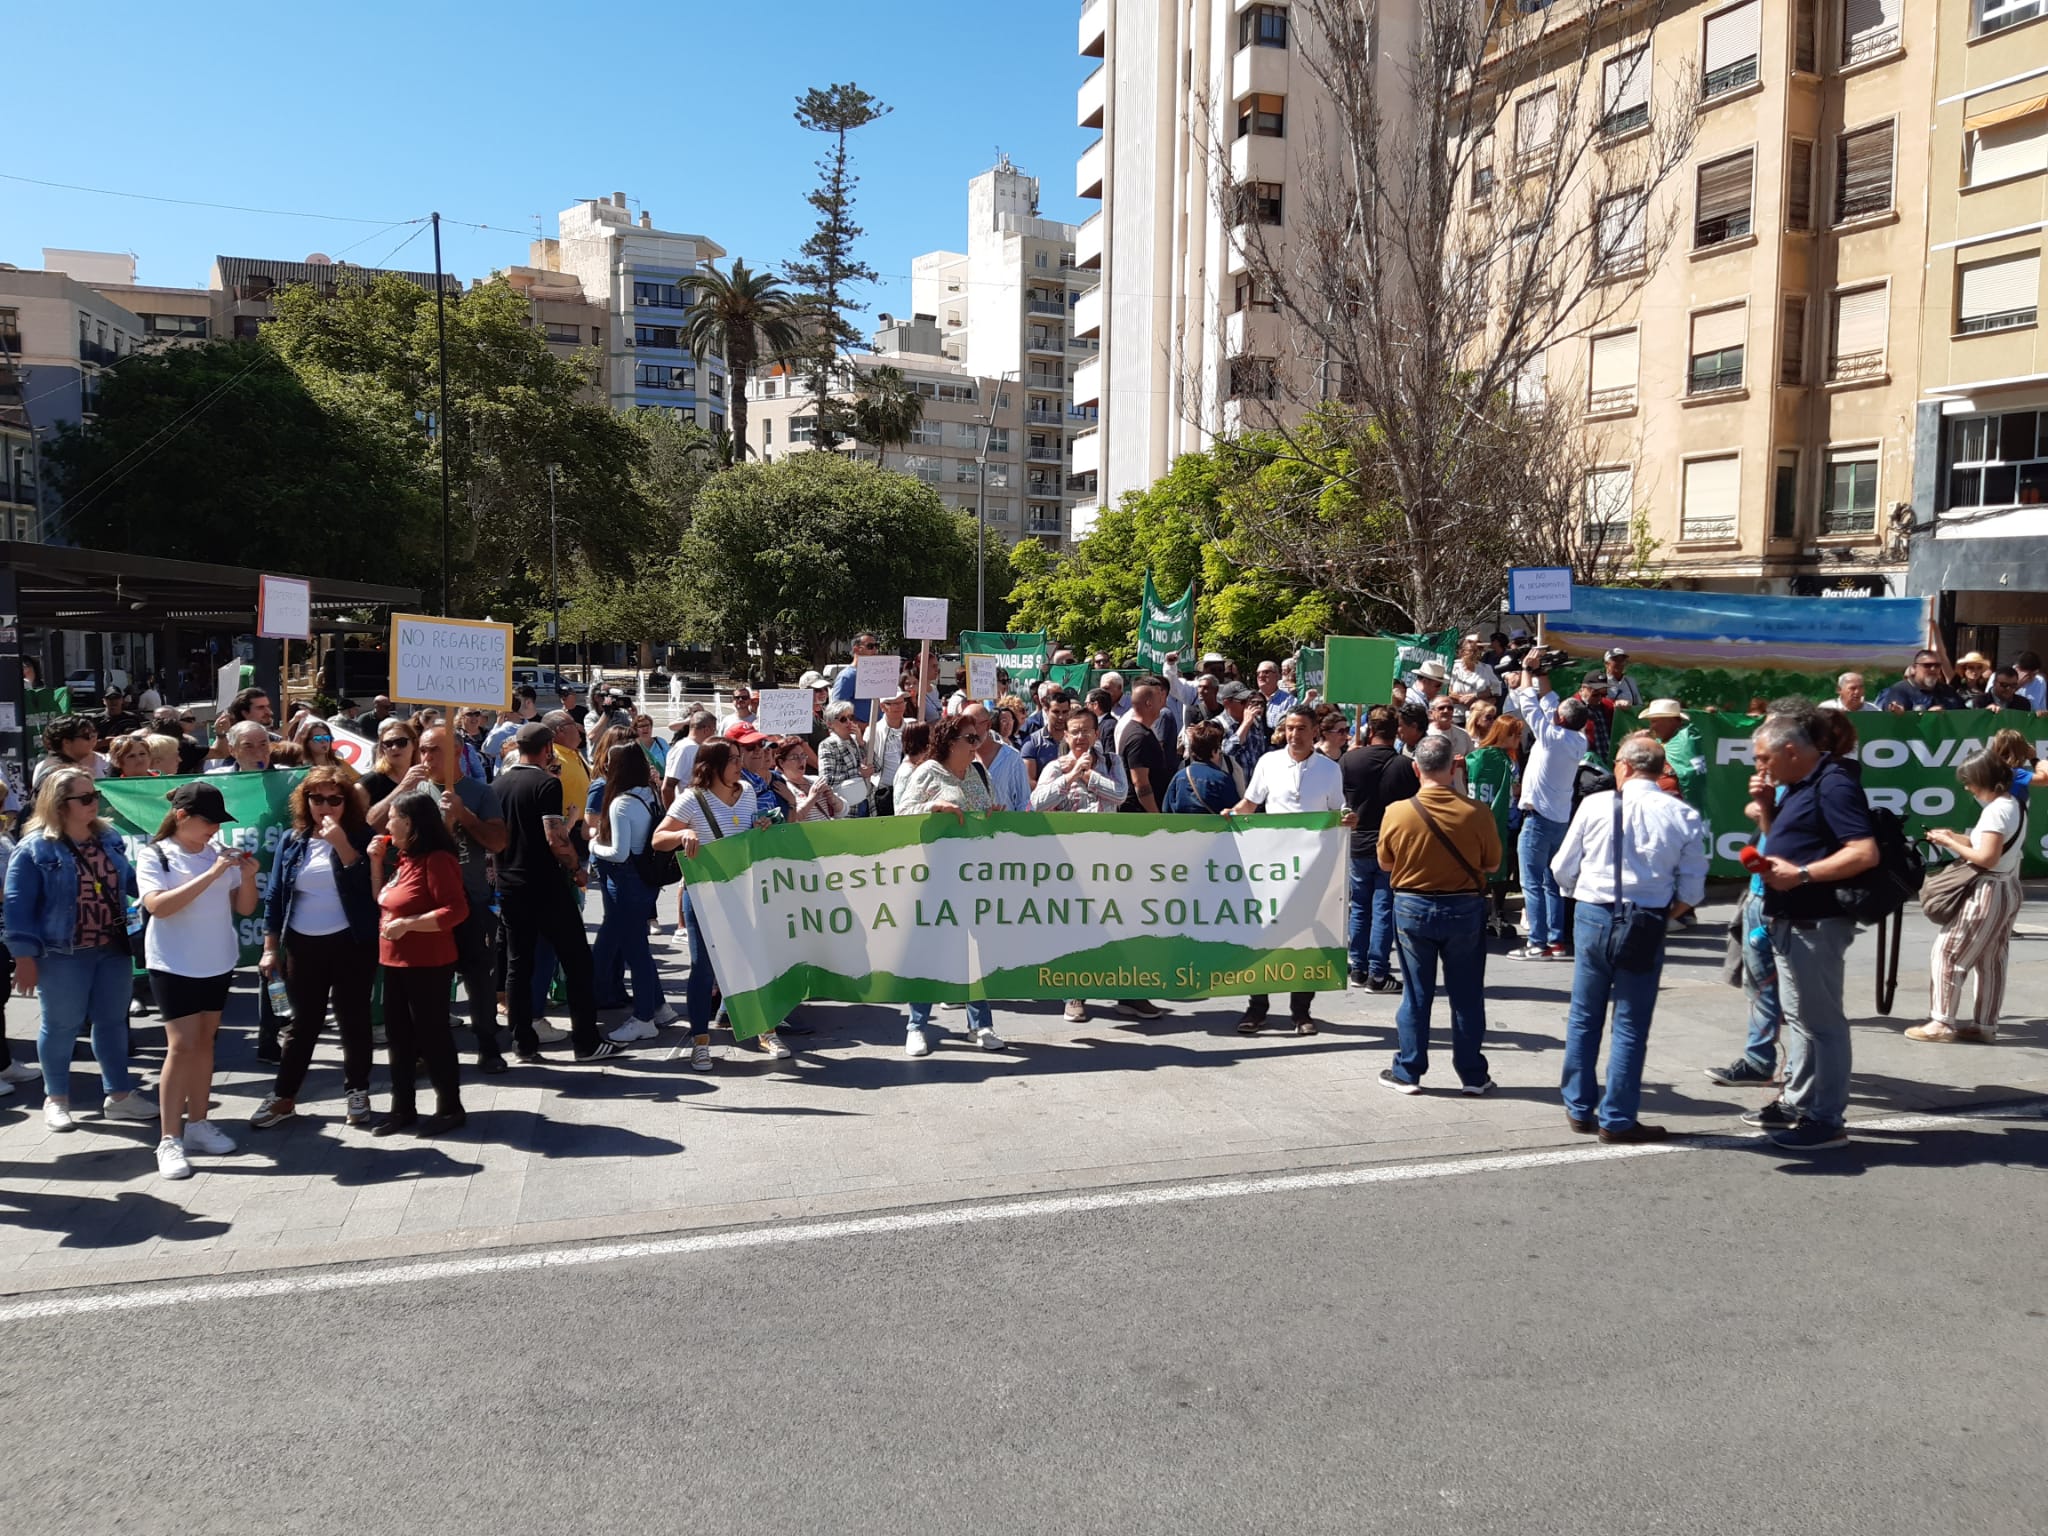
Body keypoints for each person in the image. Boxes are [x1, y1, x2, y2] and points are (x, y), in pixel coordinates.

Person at [1549, 735, 1708, 1143]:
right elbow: (1692, 892)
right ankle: (1617, 1118)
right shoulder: (1681, 813)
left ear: (1623, 766)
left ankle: (1578, 1107)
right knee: (1630, 1025)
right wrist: (1660, 915)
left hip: (1593, 913)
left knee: (1585, 1016)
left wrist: (1582, 896)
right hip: (1646, 916)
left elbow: (1562, 867)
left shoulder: (1595, 804)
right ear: (1660, 770)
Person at [1742, 713, 1879, 1151]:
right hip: (1791, 918)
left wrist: (1802, 874)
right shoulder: (1800, 784)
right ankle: (1800, 1102)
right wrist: (1766, 807)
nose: (1760, 767)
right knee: (1802, 1019)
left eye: (1764, 758)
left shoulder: (1834, 783)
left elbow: (1864, 852)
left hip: (1814, 921)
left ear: (1790, 750)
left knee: (1823, 1024)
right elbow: (1781, 841)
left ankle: (1827, 1118)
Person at [3, 768, 157, 1131]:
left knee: (113, 1023)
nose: (95, 803)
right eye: (86, 798)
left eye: (95, 796)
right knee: (61, 1026)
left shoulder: (109, 838)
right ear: (59, 804)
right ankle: (55, 1098)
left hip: (113, 948)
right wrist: (23, 957)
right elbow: (17, 905)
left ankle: (119, 1095)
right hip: (61, 953)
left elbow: (134, 881)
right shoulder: (36, 847)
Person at [136, 781, 260, 1179]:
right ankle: (168, 1139)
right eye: (209, 822)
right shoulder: (156, 855)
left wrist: (250, 876)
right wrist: (213, 871)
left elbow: (243, 907)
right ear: (182, 817)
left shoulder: (216, 855)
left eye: (219, 823)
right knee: (182, 1047)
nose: (215, 830)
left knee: (205, 1043)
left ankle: (198, 1123)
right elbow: (159, 907)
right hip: (173, 964)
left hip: (217, 960)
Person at [1375, 735, 1504, 1096]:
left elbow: (1386, 863)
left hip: (1413, 907)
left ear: (1416, 769)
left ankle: (1409, 1070)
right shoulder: (1477, 812)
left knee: (1416, 993)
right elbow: (1492, 863)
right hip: (1464, 907)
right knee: (1466, 994)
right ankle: (1473, 1075)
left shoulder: (1397, 812)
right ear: (1453, 768)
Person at [251, 768, 379, 1129]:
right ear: (305, 802)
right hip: (303, 945)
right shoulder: (293, 840)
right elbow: (275, 895)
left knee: (353, 1019)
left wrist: (341, 844)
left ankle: (357, 1090)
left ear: (346, 803)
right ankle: (284, 1096)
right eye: (317, 798)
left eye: (334, 799)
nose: (325, 806)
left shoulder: (362, 835)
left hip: (352, 941)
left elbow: (370, 892)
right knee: (302, 1023)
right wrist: (270, 948)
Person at [652, 741, 792, 1066]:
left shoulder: (747, 792)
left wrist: (762, 826)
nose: (739, 763)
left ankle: (765, 1031)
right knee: (702, 969)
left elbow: (746, 834)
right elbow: (658, 839)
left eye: (737, 758)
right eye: (731, 759)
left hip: (741, 890)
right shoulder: (692, 799)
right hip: (701, 894)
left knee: (754, 962)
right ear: (712, 765)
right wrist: (682, 835)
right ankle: (700, 1041)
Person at [495, 722, 619, 1064]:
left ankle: (522, 1043)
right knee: (577, 962)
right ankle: (587, 1042)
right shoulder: (547, 783)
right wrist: (576, 869)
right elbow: (555, 838)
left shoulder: (499, 783)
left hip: (510, 883)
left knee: (518, 965)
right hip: (545, 884)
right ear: (547, 748)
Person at [1229, 704, 1353, 1034]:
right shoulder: (1269, 762)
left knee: (1307, 937)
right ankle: (1257, 1007)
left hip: (1313, 868)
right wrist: (1232, 814)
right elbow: (1250, 803)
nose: (1294, 734)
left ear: (1316, 732)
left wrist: (1347, 817)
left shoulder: (1329, 769)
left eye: (1301, 728)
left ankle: (1301, 1011)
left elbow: (1337, 810)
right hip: (1273, 867)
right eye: (1290, 727)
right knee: (1265, 934)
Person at [897, 715, 1007, 1055]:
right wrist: (933, 806)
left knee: (976, 953)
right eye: (970, 738)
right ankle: (916, 1026)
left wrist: (995, 815)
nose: (977, 744)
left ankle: (981, 1024)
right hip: (935, 876)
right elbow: (901, 812)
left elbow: (989, 809)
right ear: (950, 742)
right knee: (931, 952)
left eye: (979, 737)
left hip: (975, 876)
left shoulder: (978, 773)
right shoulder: (928, 772)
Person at [366, 790, 469, 1136]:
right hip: (394, 962)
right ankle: (402, 1108)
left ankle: (450, 1107)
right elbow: (383, 900)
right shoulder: (403, 858)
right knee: (399, 1039)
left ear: (409, 823)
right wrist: (376, 863)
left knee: (432, 1035)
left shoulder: (437, 859)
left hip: (428, 962)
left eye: (392, 817)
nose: (387, 824)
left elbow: (456, 910)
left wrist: (409, 925)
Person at [1909, 750, 2027, 1044]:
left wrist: (1949, 840)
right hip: (2007, 887)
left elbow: (1986, 856)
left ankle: (1941, 1023)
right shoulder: (2014, 805)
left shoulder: (1996, 811)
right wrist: (1953, 837)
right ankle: (1984, 1024)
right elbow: (1987, 845)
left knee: (1948, 952)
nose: (1967, 787)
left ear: (1984, 779)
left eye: (1969, 781)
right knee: (1991, 959)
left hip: (1988, 890)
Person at [417, 724, 509, 1074]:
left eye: (434, 750)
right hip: (427, 906)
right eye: (423, 750)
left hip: (472, 902)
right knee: (429, 985)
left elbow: (498, 841)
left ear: (457, 752)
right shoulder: (416, 792)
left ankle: (487, 1045)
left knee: (480, 982)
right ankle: (430, 1048)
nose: (426, 758)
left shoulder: (480, 793)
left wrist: (465, 817)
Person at [587, 742, 678, 1045]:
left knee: (636, 952)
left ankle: (644, 1018)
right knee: (638, 948)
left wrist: (592, 844)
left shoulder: (621, 803)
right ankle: (659, 1007)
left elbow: (617, 852)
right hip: (646, 881)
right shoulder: (650, 793)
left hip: (626, 881)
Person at [1505, 655, 1589, 960]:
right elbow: (1549, 701)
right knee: (1552, 883)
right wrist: (1541, 673)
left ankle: (1537, 943)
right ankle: (1555, 941)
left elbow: (1529, 703)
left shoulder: (1552, 737)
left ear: (1561, 719)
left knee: (1532, 883)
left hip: (1538, 820)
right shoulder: (1578, 740)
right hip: (1559, 820)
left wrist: (1527, 671)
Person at [1340, 706, 1419, 992]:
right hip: (1391, 845)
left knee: (1359, 906)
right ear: (1396, 730)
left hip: (1358, 842)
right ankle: (1377, 972)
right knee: (1384, 907)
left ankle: (1357, 968)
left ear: (1369, 729)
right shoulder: (1404, 764)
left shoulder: (1349, 760)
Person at [1162, 720, 1241, 816]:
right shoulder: (1222, 779)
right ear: (1214, 751)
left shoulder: (1179, 776)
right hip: (1216, 830)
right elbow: (1236, 811)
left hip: (1184, 830)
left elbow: (1166, 809)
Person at [817, 701, 874, 817]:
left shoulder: (856, 740)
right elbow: (827, 779)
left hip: (867, 802)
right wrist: (859, 773)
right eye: (843, 719)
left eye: (851, 717)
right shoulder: (828, 745)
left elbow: (877, 765)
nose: (849, 722)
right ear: (830, 724)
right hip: (847, 806)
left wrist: (861, 742)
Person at [772, 737, 847, 821]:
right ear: (781, 763)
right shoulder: (782, 787)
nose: (801, 761)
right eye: (795, 757)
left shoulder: (815, 780)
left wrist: (833, 799)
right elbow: (791, 820)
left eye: (803, 755)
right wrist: (812, 798)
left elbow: (843, 812)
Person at [863, 692, 911, 813]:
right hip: (885, 791)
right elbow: (867, 759)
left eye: (901, 702)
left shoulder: (912, 727)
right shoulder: (873, 730)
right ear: (883, 707)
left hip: (909, 790)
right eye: (894, 703)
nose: (899, 706)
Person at [34, 715, 107, 788]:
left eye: (93, 733)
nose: (93, 738)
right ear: (66, 742)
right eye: (86, 736)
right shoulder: (64, 774)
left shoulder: (55, 765)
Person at [1879, 651, 1965, 712]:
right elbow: (1892, 722)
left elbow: (1965, 716)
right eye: (1927, 665)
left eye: (1937, 665)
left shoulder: (1947, 690)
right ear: (1914, 668)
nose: (1933, 669)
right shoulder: (1899, 690)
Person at [829, 632, 882, 725]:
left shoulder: (876, 674)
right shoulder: (847, 676)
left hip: (878, 731)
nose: (875, 650)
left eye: (876, 645)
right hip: (860, 733)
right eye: (870, 646)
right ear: (856, 649)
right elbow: (837, 712)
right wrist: (863, 727)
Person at [289, 715, 357, 781]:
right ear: (307, 742)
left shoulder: (339, 762)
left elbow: (357, 782)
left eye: (326, 737)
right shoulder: (301, 768)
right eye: (318, 738)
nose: (323, 741)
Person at [1449, 636, 1501, 707]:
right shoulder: (1453, 667)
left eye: (1475, 651)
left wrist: (1476, 696)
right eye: (1470, 650)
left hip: (1479, 712)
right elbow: (1447, 690)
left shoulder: (1485, 668)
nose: (1472, 654)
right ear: (1462, 651)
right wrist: (1461, 700)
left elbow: (1496, 690)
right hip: (1456, 712)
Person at [1254, 659, 1294, 728]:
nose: (1261, 676)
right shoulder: (1250, 700)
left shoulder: (1290, 701)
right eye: (1258, 673)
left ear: (1277, 676)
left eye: (1266, 672)